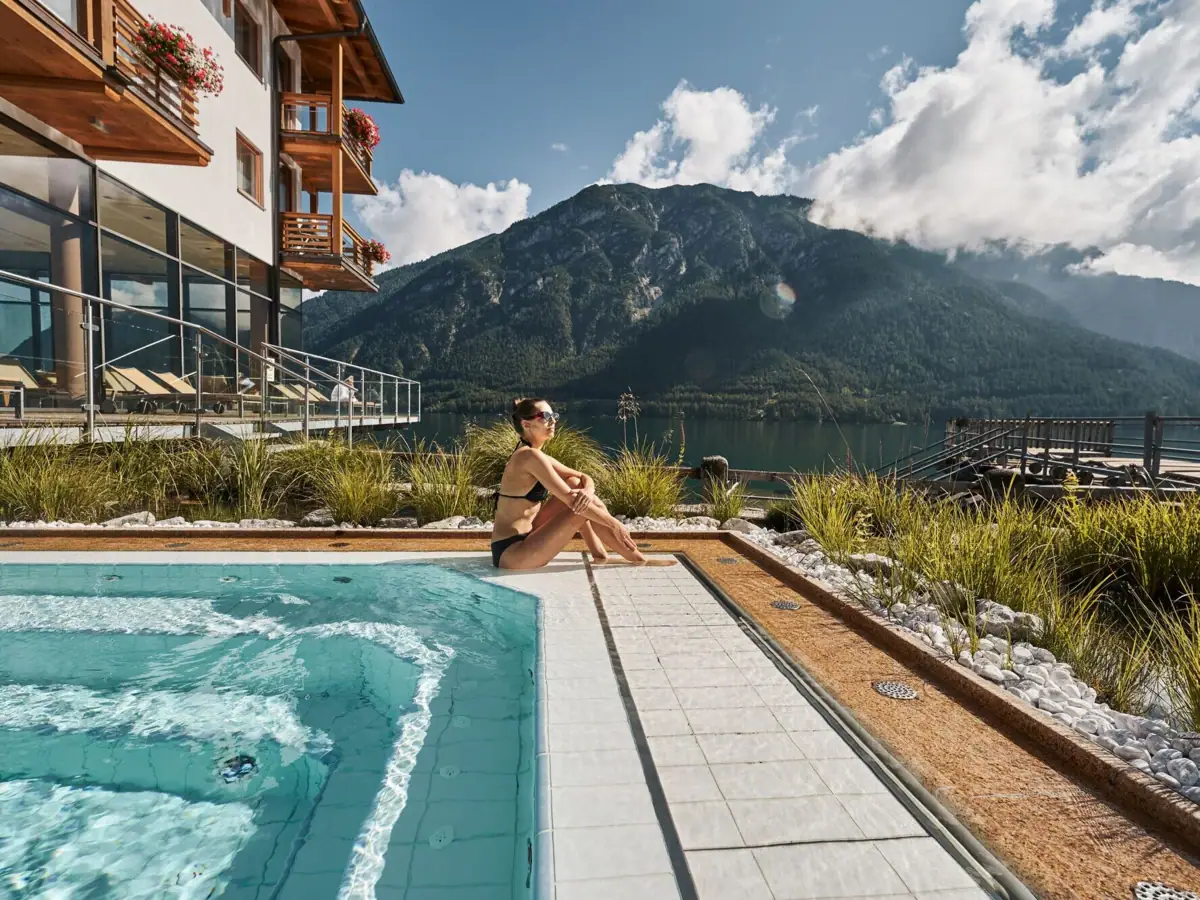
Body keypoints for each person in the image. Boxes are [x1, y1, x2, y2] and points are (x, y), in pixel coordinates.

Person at [490, 397, 675, 569]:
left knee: (575, 484)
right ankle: (638, 559)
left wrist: (588, 489)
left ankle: (600, 554)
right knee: (580, 504)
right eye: (545, 416)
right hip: (512, 552)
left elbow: (582, 476)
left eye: (554, 415)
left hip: (528, 535)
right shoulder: (528, 457)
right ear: (526, 424)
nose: (553, 421)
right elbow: (571, 501)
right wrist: (614, 524)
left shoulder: (534, 453)